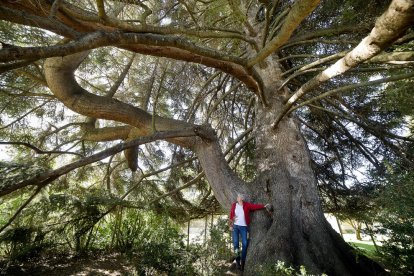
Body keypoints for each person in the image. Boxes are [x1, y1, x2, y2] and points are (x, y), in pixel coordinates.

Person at [228, 193, 273, 271]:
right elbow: (231, 215)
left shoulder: (246, 205)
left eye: (238, 197)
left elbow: (254, 207)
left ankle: (243, 262)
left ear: (241, 198)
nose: (237, 198)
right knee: (236, 245)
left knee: (245, 244)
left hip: (243, 227)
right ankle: (238, 262)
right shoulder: (234, 205)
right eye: (237, 197)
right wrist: (230, 225)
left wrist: (264, 206)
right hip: (235, 227)